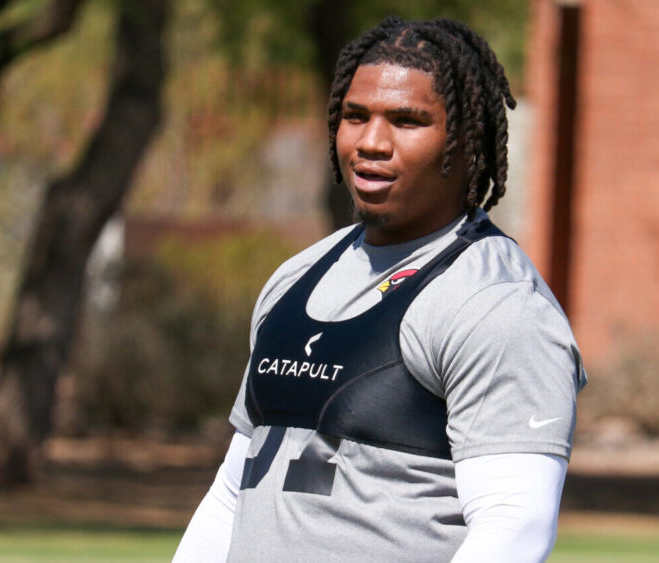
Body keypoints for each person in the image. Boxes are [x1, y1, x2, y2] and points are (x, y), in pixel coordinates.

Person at [173, 16, 586, 562]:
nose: (371, 142)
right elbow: (234, 490)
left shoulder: (498, 306)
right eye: (355, 116)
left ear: (467, 140)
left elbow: (514, 528)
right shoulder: (295, 279)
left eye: (407, 121)